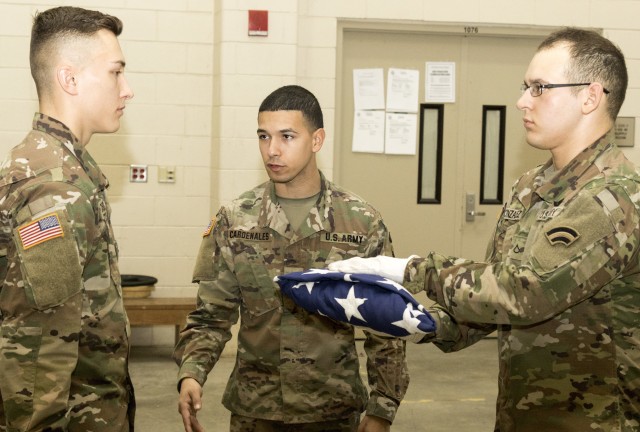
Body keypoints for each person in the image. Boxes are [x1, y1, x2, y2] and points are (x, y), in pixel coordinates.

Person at [329, 27, 640, 431]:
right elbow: (493, 300)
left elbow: (522, 293)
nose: (522, 101)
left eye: (539, 88)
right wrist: (418, 322)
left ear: (590, 96)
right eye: (525, 87)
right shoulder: (530, 187)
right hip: (520, 416)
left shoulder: (614, 198)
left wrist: (414, 270)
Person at [173, 85, 409, 432]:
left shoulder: (360, 222)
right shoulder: (235, 220)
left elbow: (386, 325)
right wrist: (191, 374)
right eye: (263, 136)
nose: (273, 150)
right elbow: (211, 315)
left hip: (333, 408)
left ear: (317, 140)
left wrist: (382, 407)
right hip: (256, 410)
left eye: (287, 136)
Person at [0, 6, 135, 431]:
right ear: (69, 79)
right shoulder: (56, 190)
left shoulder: (64, 170)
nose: (127, 89)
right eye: (116, 72)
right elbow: (38, 357)